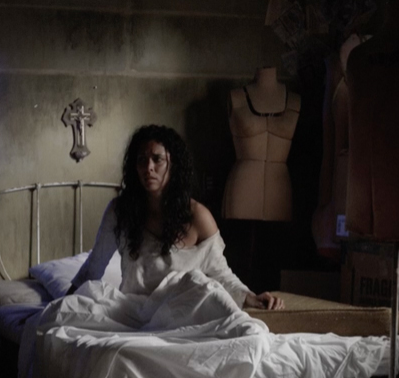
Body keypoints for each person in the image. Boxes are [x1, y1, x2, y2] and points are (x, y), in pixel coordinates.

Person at [66, 125, 284, 310]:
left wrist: (250, 296)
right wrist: (64, 302)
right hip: (132, 314)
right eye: (141, 160)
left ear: (173, 164)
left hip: (183, 313)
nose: (148, 168)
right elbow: (94, 266)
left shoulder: (197, 216)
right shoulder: (120, 212)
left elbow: (220, 273)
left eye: (157, 159)